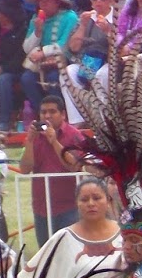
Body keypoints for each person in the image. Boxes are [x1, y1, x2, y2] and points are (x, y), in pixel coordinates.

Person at [15, 94, 89, 251]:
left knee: (71, 252)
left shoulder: (74, 135)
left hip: (70, 207)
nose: (47, 115)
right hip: (42, 207)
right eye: (43, 112)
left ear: (63, 114)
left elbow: (74, 166)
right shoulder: (34, 137)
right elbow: (25, 169)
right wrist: (29, 141)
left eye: (52, 111)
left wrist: (54, 142)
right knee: (46, 254)